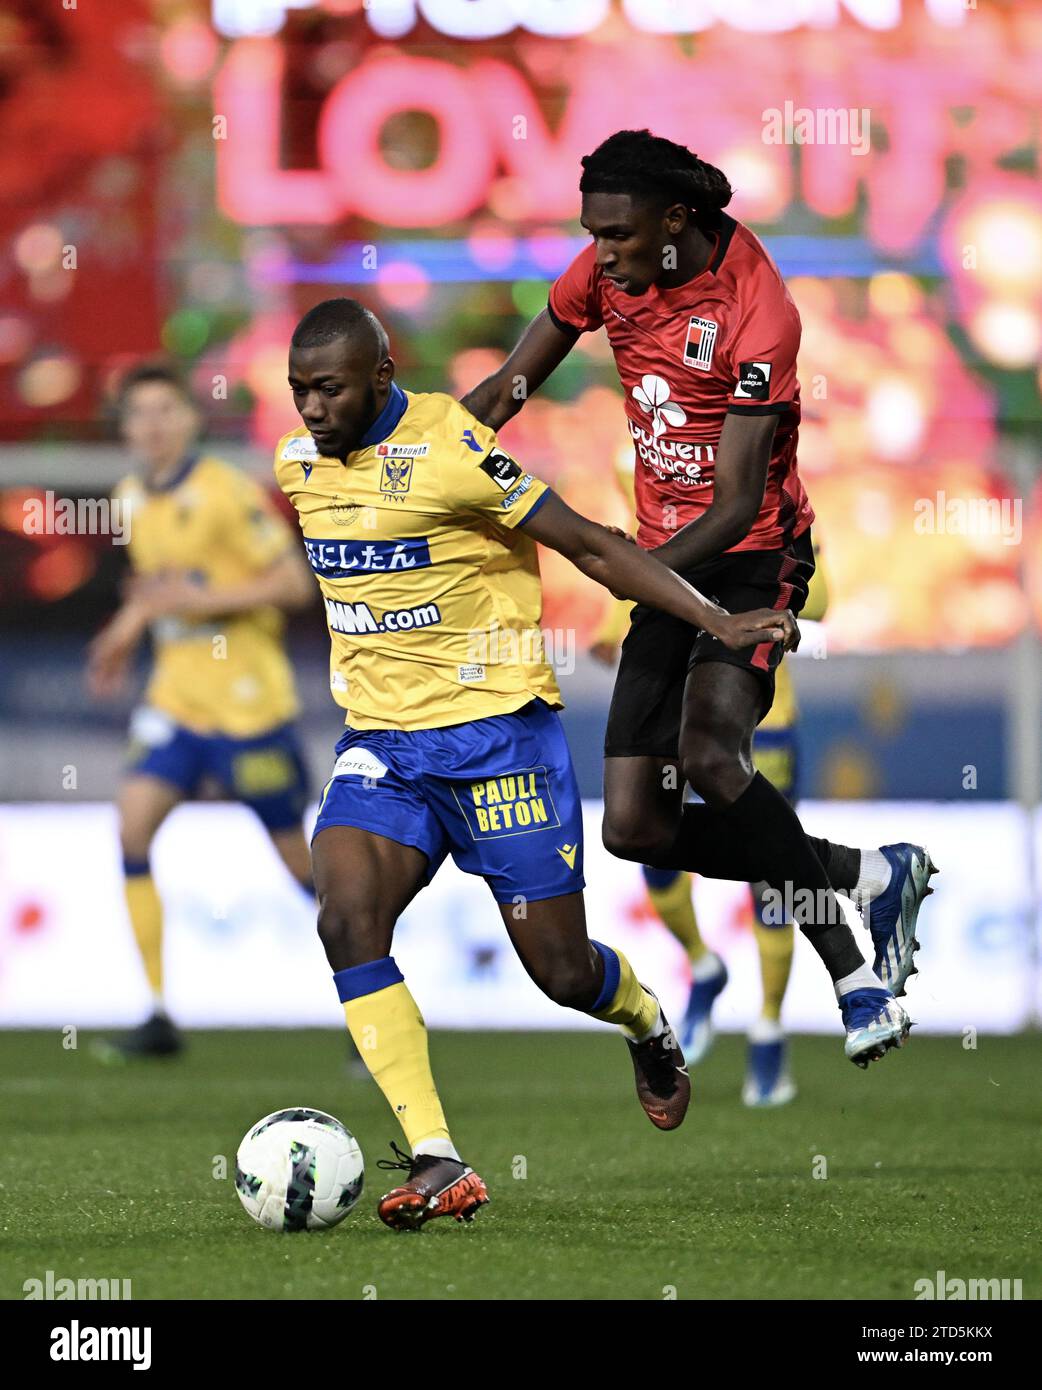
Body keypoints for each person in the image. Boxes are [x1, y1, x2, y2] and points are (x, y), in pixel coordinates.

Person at [275, 297, 798, 1231]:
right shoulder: (298, 465)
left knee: (559, 971)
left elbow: (594, 545)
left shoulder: (453, 449)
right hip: (384, 748)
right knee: (346, 917)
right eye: (299, 391)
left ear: (382, 379)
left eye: (329, 389)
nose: (311, 410)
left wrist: (715, 620)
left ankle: (647, 1021)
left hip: (499, 740)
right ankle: (440, 1159)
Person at [462, 129, 937, 1069]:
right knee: (635, 825)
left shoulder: (759, 312)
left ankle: (850, 970)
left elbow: (733, 505)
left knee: (710, 753)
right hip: (665, 558)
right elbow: (516, 379)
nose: (602, 255)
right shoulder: (606, 269)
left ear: (676, 220)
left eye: (619, 236)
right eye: (592, 235)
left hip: (751, 556)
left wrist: (626, 574)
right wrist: (441, 439)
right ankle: (866, 873)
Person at [87, 364, 316, 1057]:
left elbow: (293, 584)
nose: (153, 426)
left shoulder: (225, 492)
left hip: (250, 707)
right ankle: (158, 1014)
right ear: (126, 428)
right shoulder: (130, 496)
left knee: (301, 869)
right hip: (176, 703)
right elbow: (159, 589)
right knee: (131, 829)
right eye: (139, 414)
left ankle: (370, 984)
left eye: (166, 410)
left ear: (190, 419)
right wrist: (124, 633)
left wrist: (201, 602)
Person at [591, 490, 832, 1107]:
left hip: (759, 717)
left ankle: (770, 1031)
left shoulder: (770, 493)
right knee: (652, 845)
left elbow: (820, 597)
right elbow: (640, 583)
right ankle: (702, 963)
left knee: (773, 881)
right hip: (676, 707)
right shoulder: (649, 474)